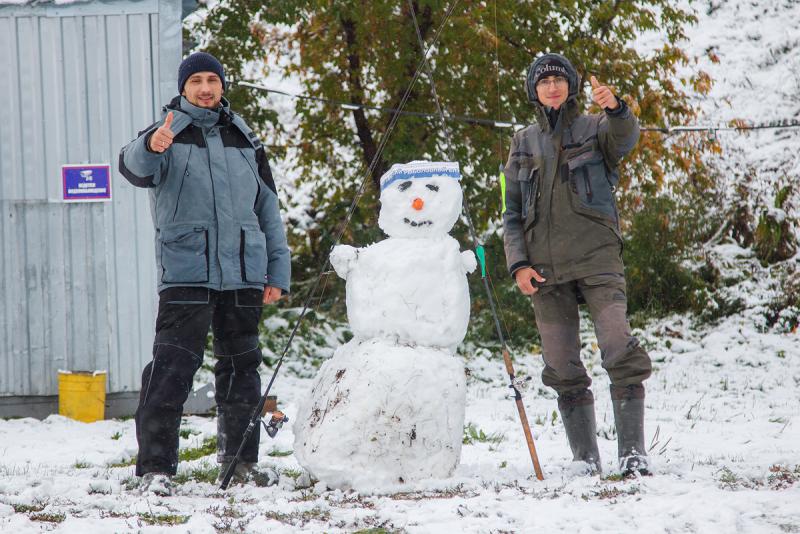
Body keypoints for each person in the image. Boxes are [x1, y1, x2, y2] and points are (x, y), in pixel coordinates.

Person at [119, 52, 291, 494]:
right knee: (172, 369)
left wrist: (277, 270)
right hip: (186, 271)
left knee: (242, 371)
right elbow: (134, 167)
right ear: (183, 88)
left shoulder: (245, 137)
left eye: (212, 79)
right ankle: (155, 471)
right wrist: (152, 145)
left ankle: (240, 466)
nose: (205, 88)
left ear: (222, 86)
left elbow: (268, 208)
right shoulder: (166, 131)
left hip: (243, 274)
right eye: (196, 80)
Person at [502, 53, 651, 476]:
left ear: (571, 87)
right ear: (534, 89)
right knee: (561, 363)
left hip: (598, 260)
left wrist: (617, 109)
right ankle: (585, 460)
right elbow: (511, 212)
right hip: (545, 271)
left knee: (618, 345)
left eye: (559, 79)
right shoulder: (522, 141)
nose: (552, 86)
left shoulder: (595, 126)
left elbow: (624, 138)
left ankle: (633, 454)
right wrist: (518, 265)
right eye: (543, 80)